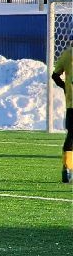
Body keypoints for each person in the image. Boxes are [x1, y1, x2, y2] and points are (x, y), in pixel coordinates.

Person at [51, 42, 71, 183]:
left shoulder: (67, 53)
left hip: (72, 103)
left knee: (71, 135)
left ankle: (67, 167)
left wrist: (65, 87)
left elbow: (55, 75)